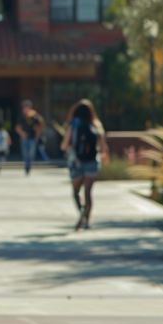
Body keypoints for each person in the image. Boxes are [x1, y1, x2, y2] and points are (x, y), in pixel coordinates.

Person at [60, 98, 109, 230]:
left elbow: (64, 145)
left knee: (76, 192)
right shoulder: (96, 124)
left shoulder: (73, 125)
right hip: (92, 161)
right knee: (88, 192)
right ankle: (87, 220)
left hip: (77, 162)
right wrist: (104, 156)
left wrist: (71, 149)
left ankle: (81, 211)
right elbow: (103, 146)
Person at [15, 99, 43, 175]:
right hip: (24, 139)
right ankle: (26, 167)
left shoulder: (35, 116)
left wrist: (37, 137)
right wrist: (22, 133)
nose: (25, 109)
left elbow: (39, 127)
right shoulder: (21, 116)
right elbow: (17, 128)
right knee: (25, 154)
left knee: (31, 154)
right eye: (24, 107)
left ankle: (29, 166)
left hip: (32, 138)